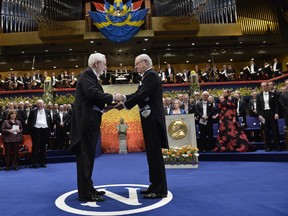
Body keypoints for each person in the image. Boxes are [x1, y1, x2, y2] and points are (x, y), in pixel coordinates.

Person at [115, 54, 169, 199]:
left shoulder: (151, 75)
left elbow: (142, 94)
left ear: (145, 62)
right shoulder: (147, 76)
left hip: (153, 120)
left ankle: (159, 189)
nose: (136, 67)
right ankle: (154, 185)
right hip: (149, 119)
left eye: (137, 64)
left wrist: (125, 104)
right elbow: (139, 93)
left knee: (155, 155)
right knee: (151, 154)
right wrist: (125, 98)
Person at [70, 53, 119, 202]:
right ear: (97, 63)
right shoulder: (86, 75)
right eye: (104, 64)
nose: (106, 67)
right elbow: (92, 94)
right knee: (85, 157)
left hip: (91, 121)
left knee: (89, 157)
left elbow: (94, 100)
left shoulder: (91, 76)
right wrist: (112, 98)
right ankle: (85, 193)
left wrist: (110, 106)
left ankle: (88, 188)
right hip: (85, 124)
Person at [28, 99, 52, 168]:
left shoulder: (47, 111)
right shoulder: (33, 111)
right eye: (38, 104)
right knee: (35, 147)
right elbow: (30, 121)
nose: (39, 105)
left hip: (45, 130)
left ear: (43, 104)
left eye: (40, 103)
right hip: (36, 130)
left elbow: (49, 121)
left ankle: (43, 162)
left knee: (43, 147)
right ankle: (35, 163)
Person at [256, 82, 280, 151]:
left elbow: (276, 105)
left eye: (265, 86)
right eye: (262, 86)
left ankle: (277, 146)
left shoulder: (273, 94)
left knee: (274, 130)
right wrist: (259, 114)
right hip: (264, 114)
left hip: (272, 113)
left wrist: (276, 113)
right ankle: (268, 147)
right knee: (266, 131)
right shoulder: (258, 96)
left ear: (268, 86)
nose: (264, 87)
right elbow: (258, 107)